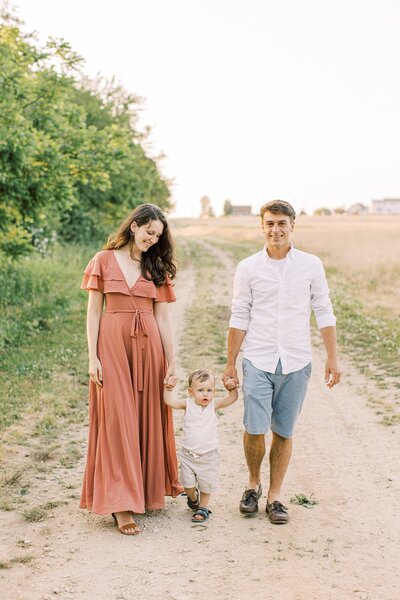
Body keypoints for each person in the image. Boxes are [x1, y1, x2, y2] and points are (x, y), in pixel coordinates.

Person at [223, 199, 341, 525]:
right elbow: (239, 314)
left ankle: (275, 496)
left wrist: (332, 357)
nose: (276, 229)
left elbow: (324, 310)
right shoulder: (248, 267)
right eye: (270, 223)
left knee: (284, 431)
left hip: (297, 361)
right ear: (262, 227)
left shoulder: (310, 265)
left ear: (292, 225)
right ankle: (252, 484)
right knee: (254, 428)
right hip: (258, 359)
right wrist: (231, 362)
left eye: (281, 223)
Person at [79, 203, 183, 535]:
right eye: (149, 232)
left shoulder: (156, 266)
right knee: (117, 419)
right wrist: (92, 357)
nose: (153, 239)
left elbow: (163, 318)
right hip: (112, 346)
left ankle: (144, 493)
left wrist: (171, 361)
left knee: (146, 418)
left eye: (158, 236)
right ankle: (120, 505)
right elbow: (94, 312)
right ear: (134, 226)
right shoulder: (103, 259)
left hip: (149, 347)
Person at [164, 369, 238, 523]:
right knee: (188, 484)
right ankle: (192, 498)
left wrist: (232, 389)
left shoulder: (214, 405)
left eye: (209, 390)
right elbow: (170, 402)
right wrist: (168, 389)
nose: (206, 394)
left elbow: (231, 399)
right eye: (201, 390)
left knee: (206, 484)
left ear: (214, 391)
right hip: (189, 455)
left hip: (209, 455)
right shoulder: (187, 404)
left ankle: (203, 507)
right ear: (191, 392)